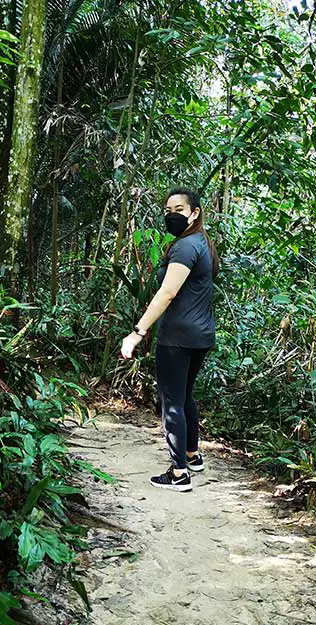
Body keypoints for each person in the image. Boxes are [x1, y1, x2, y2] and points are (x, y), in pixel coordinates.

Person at [120, 187, 219, 492]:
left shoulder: (185, 247)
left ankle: (179, 474)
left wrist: (137, 333)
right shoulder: (202, 243)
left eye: (179, 209)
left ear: (195, 213)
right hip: (200, 335)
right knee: (185, 395)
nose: (172, 215)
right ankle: (192, 455)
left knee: (171, 402)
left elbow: (167, 292)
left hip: (177, 337)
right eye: (167, 210)